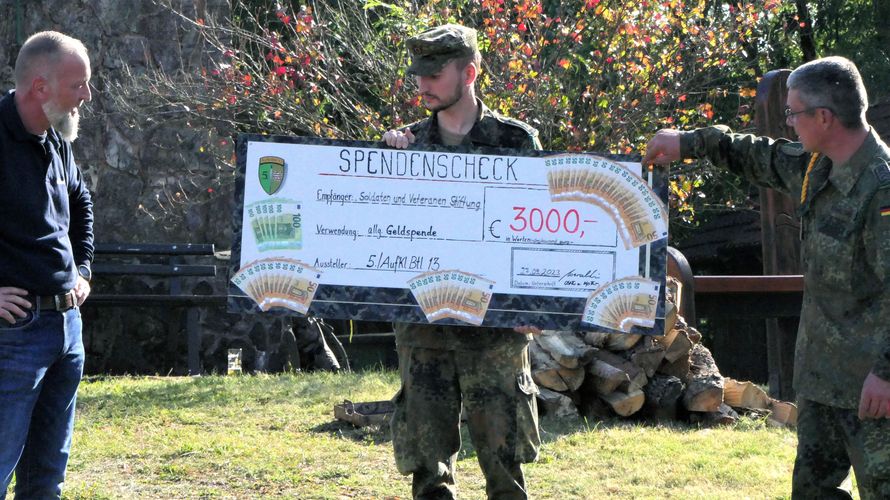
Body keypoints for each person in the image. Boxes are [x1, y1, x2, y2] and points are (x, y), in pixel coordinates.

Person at [643, 56, 890, 499]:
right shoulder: (817, 165)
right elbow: (759, 154)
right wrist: (687, 143)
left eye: (793, 113)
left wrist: (887, 374)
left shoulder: (881, 188)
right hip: (821, 380)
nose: (789, 123)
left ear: (824, 117)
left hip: (873, 387)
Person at [382, 24, 542, 500]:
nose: (422, 84)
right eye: (418, 74)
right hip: (423, 330)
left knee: (505, 476)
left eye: (434, 74)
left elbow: (537, 236)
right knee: (430, 479)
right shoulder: (404, 146)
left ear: (469, 72)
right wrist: (388, 167)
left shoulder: (516, 143)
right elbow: (379, 231)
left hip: (494, 335)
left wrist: (534, 306)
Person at [0, 31, 94, 498]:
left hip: (65, 328)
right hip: (13, 335)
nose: (86, 97)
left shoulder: (57, 138)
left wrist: (84, 271)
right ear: (40, 87)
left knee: (46, 480)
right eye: (78, 85)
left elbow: (82, 203)